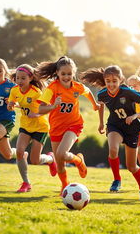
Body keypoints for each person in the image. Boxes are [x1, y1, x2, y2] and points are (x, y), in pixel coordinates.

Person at [80, 65, 140, 201]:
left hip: (132, 129)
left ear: (120, 80)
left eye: (114, 81)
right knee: (113, 149)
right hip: (114, 125)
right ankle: (117, 180)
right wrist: (100, 123)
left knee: (132, 166)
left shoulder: (127, 92)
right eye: (108, 81)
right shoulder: (102, 94)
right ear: (104, 81)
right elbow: (101, 105)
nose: (111, 84)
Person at [37, 56, 100, 195]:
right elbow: (40, 109)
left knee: (60, 153)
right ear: (57, 73)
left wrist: (95, 105)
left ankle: (78, 161)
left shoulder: (77, 87)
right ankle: (64, 185)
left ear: (74, 73)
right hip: (56, 127)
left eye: (69, 74)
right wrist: (53, 106)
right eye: (63, 74)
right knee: (59, 162)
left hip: (74, 125)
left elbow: (88, 92)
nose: (66, 77)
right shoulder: (52, 88)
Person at [7, 64, 57, 193]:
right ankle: (26, 183)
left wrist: (36, 114)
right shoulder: (14, 90)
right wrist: (11, 105)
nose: (19, 81)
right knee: (19, 152)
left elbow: (46, 109)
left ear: (30, 78)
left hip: (40, 127)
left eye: (23, 78)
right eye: (17, 78)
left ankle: (51, 159)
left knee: (34, 161)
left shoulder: (37, 92)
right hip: (25, 126)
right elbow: (10, 106)